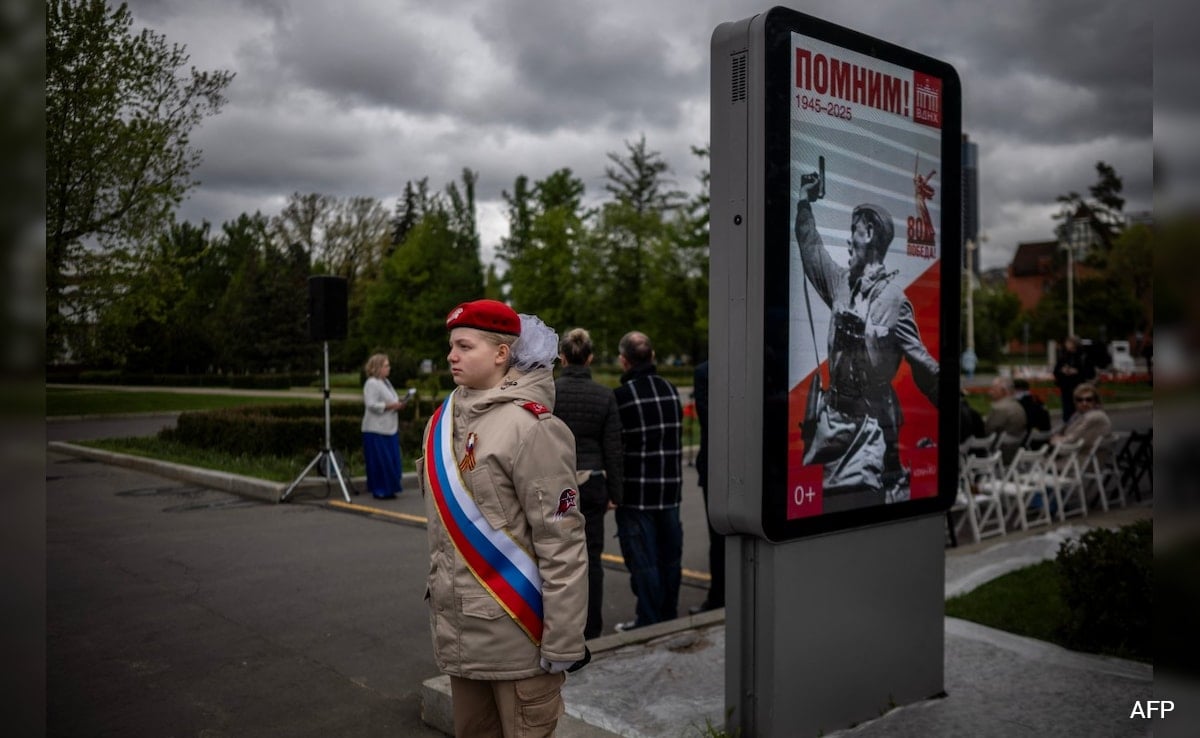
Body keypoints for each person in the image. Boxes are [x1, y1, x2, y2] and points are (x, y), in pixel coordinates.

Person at [419, 299, 589, 737]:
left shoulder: (532, 427)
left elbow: (562, 542)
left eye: (464, 345)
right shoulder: (442, 422)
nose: (451, 355)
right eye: (451, 345)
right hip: (462, 635)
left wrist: (563, 641)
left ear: (501, 354)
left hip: (519, 638)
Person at [794, 180, 939, 508]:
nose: (848, 238)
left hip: (870, 427)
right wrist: (804, 203)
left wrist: (954, 404)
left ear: (869, 233)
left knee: (856, 505)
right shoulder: (840, 283)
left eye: (853, 230)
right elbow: (811, 250)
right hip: (831, 424)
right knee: (816, 510)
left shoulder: (895, 301)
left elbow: (923, 364)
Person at [554, 327, 624, 640]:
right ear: (591, 358)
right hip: (594, 483)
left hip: (558, 485)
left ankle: (561, 627)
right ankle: (591, 627)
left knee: (557, 558)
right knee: (592, 558)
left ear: (562, 357)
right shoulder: (604, 396)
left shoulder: (549, 393)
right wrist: (616, 493)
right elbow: (613, 448)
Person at [612, 331, 684, 631]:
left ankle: (649, 621)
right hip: (670, 488)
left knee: (644, 561)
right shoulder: (671, 389)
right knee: (670, 558)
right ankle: (668, 615)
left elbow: (617, 447)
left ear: (624, 361)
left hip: (637, 491)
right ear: (652, 357)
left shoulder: (622, 397)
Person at [689, 359, 724, 615]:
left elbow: (709, 418)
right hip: (750, 460)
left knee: (718, 535)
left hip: (717, 461)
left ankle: (719, 595)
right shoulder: (762, 360)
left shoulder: (705, 371)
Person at [361, 353, 411, 499]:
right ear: (377, 367)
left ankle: (390, 488)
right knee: (380, 461)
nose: (389, 368)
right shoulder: (371, 383)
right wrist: (390, 406)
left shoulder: (386, 382)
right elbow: (371, 404)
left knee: (391, 460)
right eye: (386, 365)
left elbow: (390, 399)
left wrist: (399, 403)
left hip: (389, 428)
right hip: (376, 429)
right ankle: (380, 490)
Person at [1050, 382, 1112, 452]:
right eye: (1079, 400)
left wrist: (1053, 440)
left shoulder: (1094, 416)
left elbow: (1073, 438)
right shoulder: (1080, 414)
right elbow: (1065, 427)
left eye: (1089, 399)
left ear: (1095, 401)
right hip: (1075, 453)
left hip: (1079, 457)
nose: (1084, 403)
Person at [1053, 335, 1095, 423]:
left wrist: (1076, 371)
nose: (1067, 345)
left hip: (1079, 387)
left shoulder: (1083, 357)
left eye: (1069, 342)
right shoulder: (1064, 356)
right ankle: (1068, 425)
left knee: (1079, 407)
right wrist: (1063, 371)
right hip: (1066, 387)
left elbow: (1090, 372)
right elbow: (1056, 370)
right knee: (1067, 410)